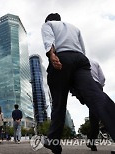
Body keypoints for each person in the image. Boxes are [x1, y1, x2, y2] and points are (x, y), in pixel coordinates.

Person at [41, 13, 115, 154]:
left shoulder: (48, 25)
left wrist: (52, 55)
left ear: (48, 20)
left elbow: (48, 39)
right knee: (97, 97)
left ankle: (53, 141)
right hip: (80, 60)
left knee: (59, 102)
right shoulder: (74, 28)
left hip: (62, 58)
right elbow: (82, 50)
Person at [71, 59, 105, 151]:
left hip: (84, 86)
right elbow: (102, 78)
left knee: (94, 117)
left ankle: (92, 141)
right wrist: (99, 88)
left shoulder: (76, 62)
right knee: (97, 115)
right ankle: (92, 141)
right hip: (97, 86)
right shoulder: (94, 62)